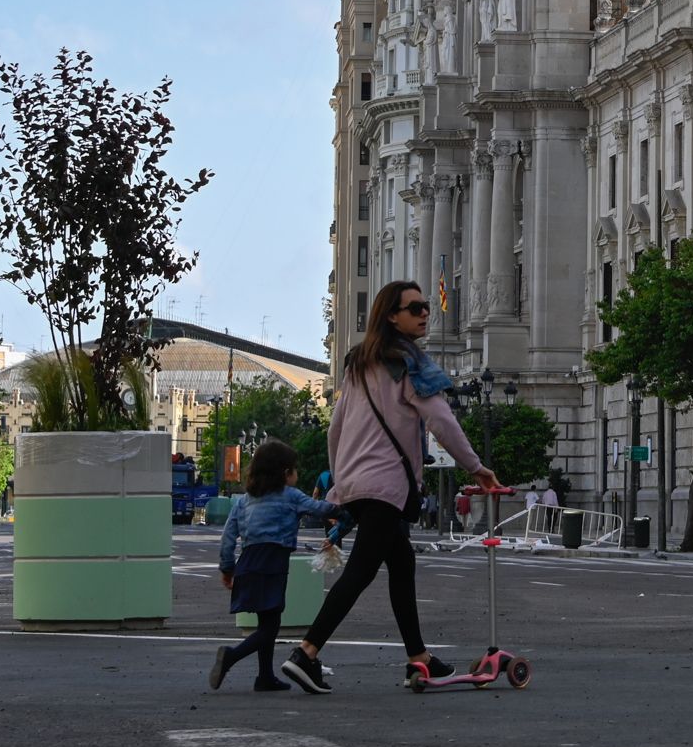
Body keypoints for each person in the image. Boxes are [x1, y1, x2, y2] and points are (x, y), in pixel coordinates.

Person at [280, 280, 492, 694]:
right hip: (384, 486)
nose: (425, 314)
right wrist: (476, 466)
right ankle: (305, 653)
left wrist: (341, 479)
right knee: (360, 571)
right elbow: (441, 420)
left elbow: (335, 430)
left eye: (426, 306)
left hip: (358, 482)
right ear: (392, 316)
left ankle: (419, 658)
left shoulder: (360, 363)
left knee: (402, 564)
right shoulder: (408, 363)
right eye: (415, 308)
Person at [207, 438, 339, 692]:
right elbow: (319, 508)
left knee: (265, 620)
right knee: (271, 624)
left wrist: (227, 567)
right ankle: (231, 656)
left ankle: (264, 677)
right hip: (272, 562)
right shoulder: (290, 495)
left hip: (247, 562)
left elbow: (228, 536)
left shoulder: (244, 501)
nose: (296, 474)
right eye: (294, 469)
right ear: (285, 472)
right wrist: (342, 510)